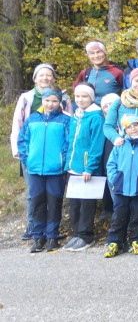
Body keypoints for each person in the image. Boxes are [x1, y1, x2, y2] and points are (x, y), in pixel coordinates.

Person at [10, 63, 72, 240]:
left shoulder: (65, 98)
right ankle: (34, 226)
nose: (45, 78)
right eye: (41, 75)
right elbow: (18, 126)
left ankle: (51, 230)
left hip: (55, 159)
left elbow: (69, 124)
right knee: (33, 193)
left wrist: (65, 159)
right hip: (32, 154)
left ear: (53, 78)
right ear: (35, 78)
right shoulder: (26, 98)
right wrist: (21, 153)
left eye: (48, 75)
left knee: (54, 195)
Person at [18, 87, 71, 253]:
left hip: (56, 171)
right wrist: (27, 160)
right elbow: (23, 141)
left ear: (59, 102)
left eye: (54, 101)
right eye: (47, 100)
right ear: (42, 100)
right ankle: (38, 236)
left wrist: (62, 162)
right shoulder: (32, 119)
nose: (50, 104)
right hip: (34, 170)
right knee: (37, 203)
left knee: (54, 203)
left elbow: (68, 144)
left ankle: (52, 236)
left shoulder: (64, 120)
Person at [104, 114, 138, 258]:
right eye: (128, 127)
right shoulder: (119, 145)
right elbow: (111, 165)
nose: (133, 129)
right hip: (121, 188)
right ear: (124, 130)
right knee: (119, 215)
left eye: (135, 125)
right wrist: (115, 179)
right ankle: (115, 241)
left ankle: (136, 240)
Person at [61, 83, 105, 252]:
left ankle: (86, 235)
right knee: (74, 204)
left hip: (87, 170)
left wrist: (90, 167)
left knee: (86, 204)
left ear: (91, 98)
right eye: (77, 96)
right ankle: (77, 233)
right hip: (73, 168)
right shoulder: (75, 116)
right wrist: (67, 164)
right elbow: (71, 141)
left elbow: (96, 145)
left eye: (84, 96)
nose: (80, 99)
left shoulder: (95, 117)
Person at [73, 40, 124, 105]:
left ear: (105, 53)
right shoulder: (85, 73)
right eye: (92, 53)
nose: (96, 56)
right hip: (90, 113)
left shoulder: (117, 72)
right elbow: (76, 91)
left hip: (110, 112)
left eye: (99, 52)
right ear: (88, 55)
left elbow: (127, 92)